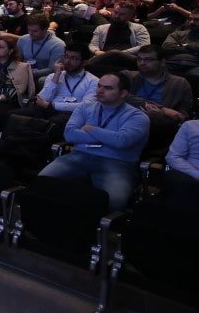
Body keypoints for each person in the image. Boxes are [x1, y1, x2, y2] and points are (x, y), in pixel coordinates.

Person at [37, 70, 150, 211]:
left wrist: (90, 129)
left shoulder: (137, 117)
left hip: (117, 162)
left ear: (123, 93)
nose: (100, 91)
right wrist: (109, 137)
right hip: (80, 156)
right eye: (99, 86)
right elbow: (70, 134)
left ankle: (102, 229)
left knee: (115, 201)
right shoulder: (85, 107)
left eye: (108, 88)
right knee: (42, 181)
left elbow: (121, 141)